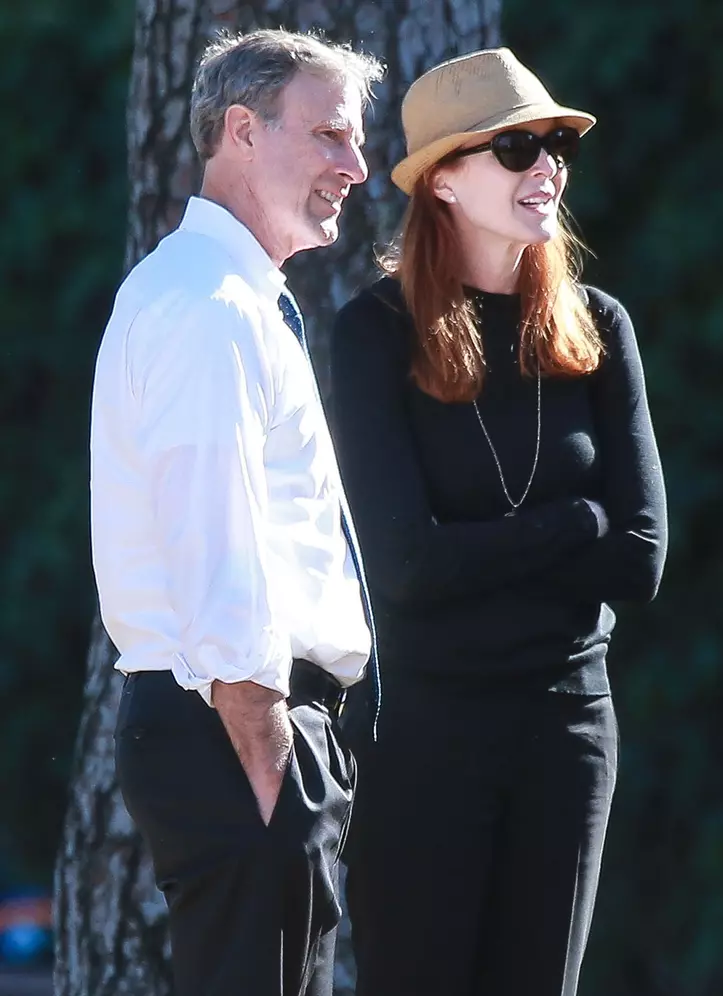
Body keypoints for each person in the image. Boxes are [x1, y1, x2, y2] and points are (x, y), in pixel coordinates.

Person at [330, 47, 668, 996]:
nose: (548, 166)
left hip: (569, 731)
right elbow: (403, 570)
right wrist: (571, 525)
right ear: (442, 179)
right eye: (516, 147)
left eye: (556, 144)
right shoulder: (374, 336)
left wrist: (480, 549)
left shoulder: (598, 326)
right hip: (423, 740)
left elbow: (641, 558)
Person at [90, 28, 383, 996]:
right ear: (242, 132)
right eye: (330, 135)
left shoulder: (231, 299)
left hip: (247, 734)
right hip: (239, 732)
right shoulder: (209, 306)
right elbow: (218, 552)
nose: (357, 165)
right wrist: (269, 763)